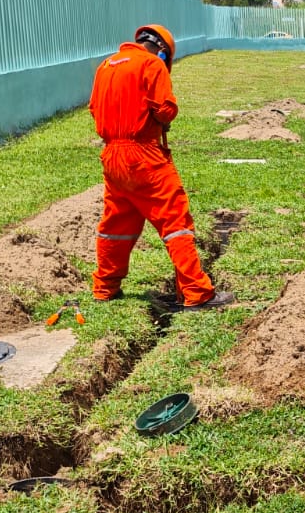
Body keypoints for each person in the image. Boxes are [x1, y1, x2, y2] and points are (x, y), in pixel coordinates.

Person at [88, 24, 233, 308]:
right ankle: (197, 292)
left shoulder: (105, 66)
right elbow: (165, 108)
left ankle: (104, 288)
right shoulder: (152, 64)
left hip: (112, 156)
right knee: (175, 222)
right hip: (144, 154)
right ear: (163, 52)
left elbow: (94, 108)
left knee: (116, 223)